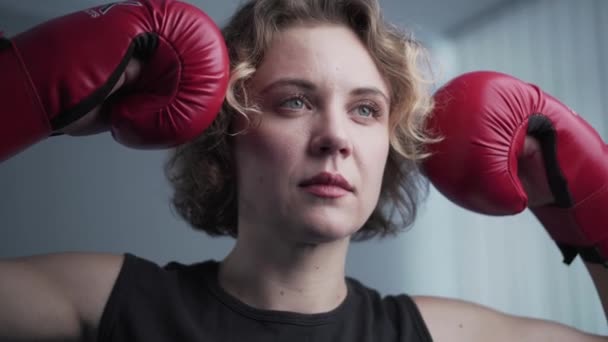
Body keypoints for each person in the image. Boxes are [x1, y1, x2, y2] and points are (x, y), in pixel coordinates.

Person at [0, 0, 606, 341]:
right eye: (295, 101)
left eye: (366, 109)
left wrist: (590, 202)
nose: (336, 137)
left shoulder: (443, 335)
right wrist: (20, 93)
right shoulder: (100, 304)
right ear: (226, 132)